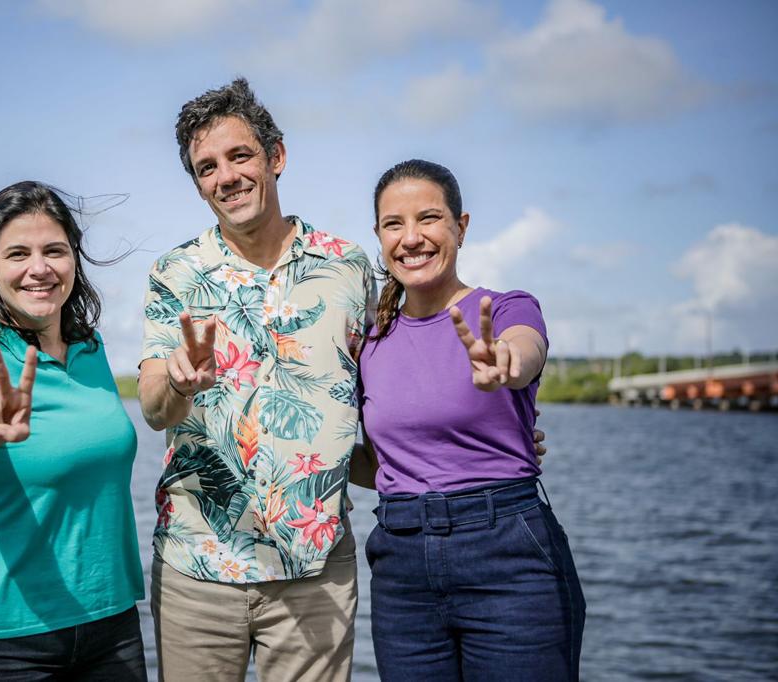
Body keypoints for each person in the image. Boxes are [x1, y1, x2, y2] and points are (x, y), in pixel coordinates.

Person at [137, 78, 374, 681]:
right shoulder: (175, 272)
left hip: (316, 569)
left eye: (239, 156)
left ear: (276, 156)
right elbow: (154, 409)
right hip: (197, 569)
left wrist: (482, 441)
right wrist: (179, 384)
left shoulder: (348, 267)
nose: (226, 177)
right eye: (206, 168)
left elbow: (383, 396)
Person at [356, 160, 585, 680]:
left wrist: (508, 361)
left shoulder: (505, 309)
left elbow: (525, 347)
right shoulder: (370, 341)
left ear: (461, 227)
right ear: (379, 236)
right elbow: (377, 462)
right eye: (394, 224)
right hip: (401, 567)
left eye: (429, 218)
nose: (411, 238)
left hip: (509, 557)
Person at [0, 181, 147, 681]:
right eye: (18, 254)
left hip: (109, 623)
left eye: (54, 251)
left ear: (74, 259)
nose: (39, 268)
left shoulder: (91, 349)